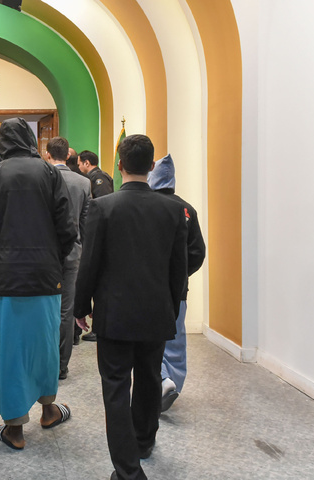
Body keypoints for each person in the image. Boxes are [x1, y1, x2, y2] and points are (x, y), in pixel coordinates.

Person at [74, 134, 187, 480]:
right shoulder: (173, 209)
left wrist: (81, 306)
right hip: (156, 312)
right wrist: (171, 307)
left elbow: (89, 263)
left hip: (115, 314)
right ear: (151, 166)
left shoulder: (104, 207)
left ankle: (128, 470)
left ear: (120, 166)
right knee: (150, 378)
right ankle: (144, 441)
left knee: (116, 387)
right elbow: (178, 268)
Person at [0, 118, 77, 450]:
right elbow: (67, 226)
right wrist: (54, 260)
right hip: (46, 276)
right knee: (44, 344)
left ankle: (14, 428)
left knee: (9, 350)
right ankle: (48, 409)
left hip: (5, 278)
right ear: (31, 140)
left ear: (2, 143)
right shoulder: (50, 173)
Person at [147, 154, 206, 412]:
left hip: (149, 286)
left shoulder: (147, 207)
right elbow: (197, 252)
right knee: (175, 338)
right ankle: (172, 383)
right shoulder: (187, 210)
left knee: (150, 338)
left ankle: (161, 381)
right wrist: (181, 274)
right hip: (178, 289)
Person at [43, 137, 91, 380]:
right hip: (72, 254)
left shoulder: (41, 179)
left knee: (42, 308)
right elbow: (85, 223)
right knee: (65, 310)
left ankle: (44, 361)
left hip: (44, 255)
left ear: (48, 154)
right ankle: (62, 365)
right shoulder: (83, 182)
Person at [76, 149, 114, 343]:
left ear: (87, 163)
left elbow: (102, 206)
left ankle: (98, 327)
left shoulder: (98, 179)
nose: (79, 166)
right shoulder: (92, 178)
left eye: (80, 163)